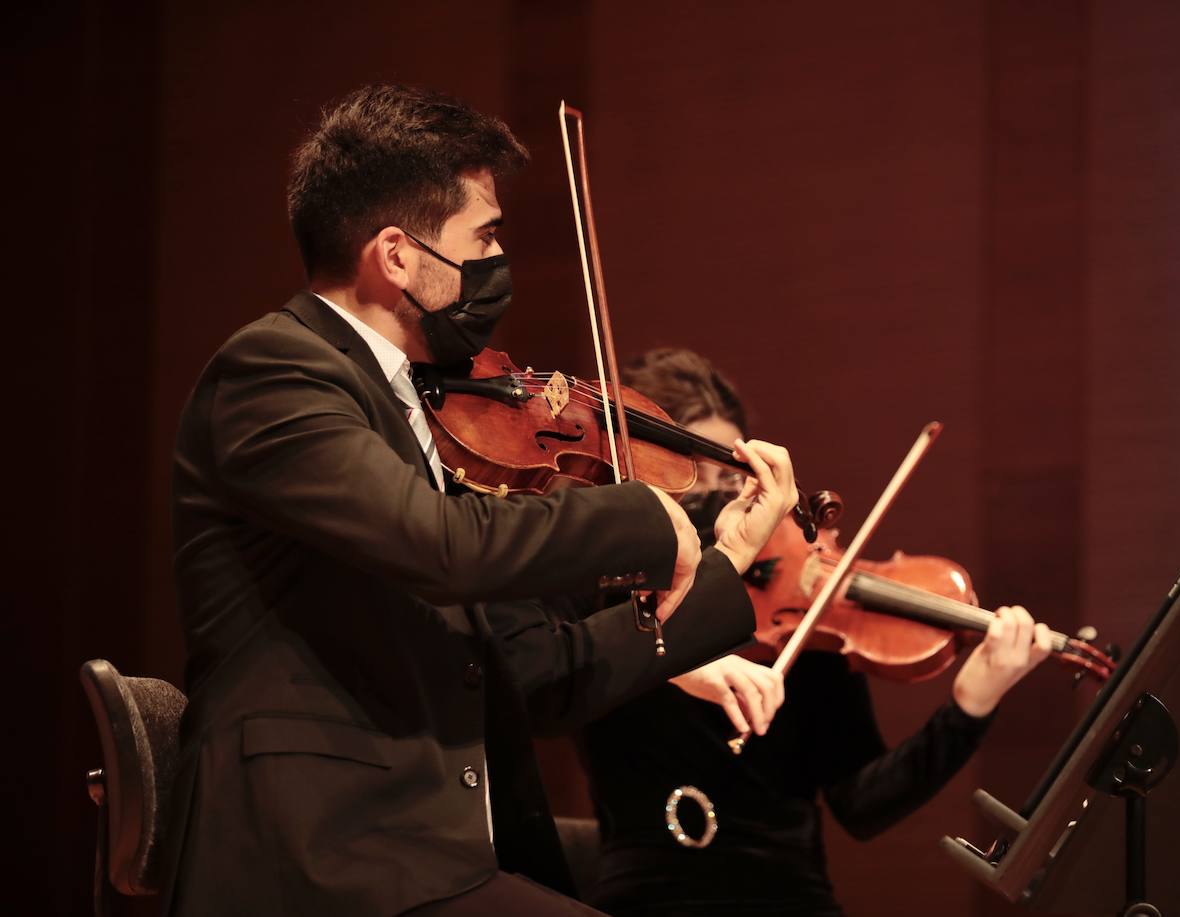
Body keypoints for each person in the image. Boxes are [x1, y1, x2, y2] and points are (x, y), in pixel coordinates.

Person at [163, 86, 800, 917]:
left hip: (425, 854)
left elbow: (532, 673)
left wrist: (721, 570)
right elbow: (441, 544)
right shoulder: (277, 372)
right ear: (396, 254)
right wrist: (644, 516)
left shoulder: (423, 407)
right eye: (484, 236)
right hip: (317, 854)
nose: (498, 263)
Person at [575, 348, 1054, 917]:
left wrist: (970, 708)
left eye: (733, 479)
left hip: (785, 896)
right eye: (691, 482)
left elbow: (863, 802)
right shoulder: (598, 597)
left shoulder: (804, 618)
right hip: (643, 896)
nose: (719, 505)